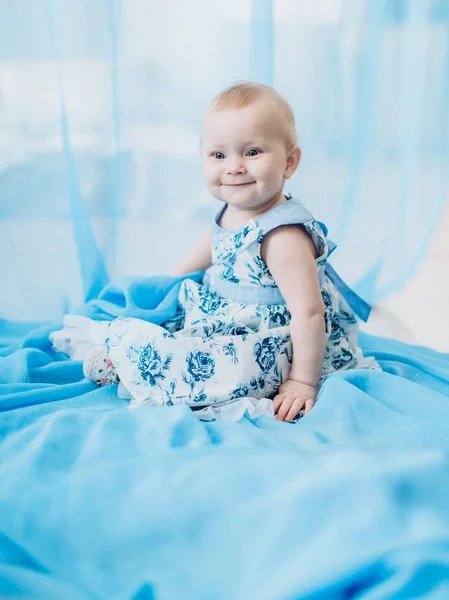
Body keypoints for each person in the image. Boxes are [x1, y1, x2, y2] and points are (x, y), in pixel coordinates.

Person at [51, 81, 379, 421]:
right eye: (218, 155)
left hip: (267, 337)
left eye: (252, 152)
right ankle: (130, 355)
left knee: (213, 366)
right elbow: (212, 244)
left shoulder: (282, 237)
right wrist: (165, 288)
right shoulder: (233, 208)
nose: (234, 166)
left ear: (290, 162)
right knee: (167, 321)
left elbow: (309, 313)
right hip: (221, 312)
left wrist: (301, 382)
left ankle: (133, 367)